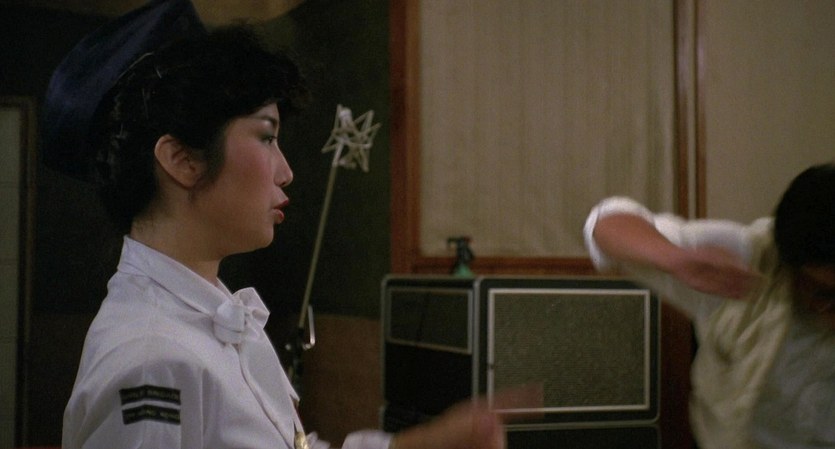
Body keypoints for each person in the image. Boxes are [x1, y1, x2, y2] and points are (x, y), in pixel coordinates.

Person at [57, 9, 536, 449]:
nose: (285, 172)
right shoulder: (153, 360)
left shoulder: (215, 315)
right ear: (181, 160)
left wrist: (429, 443)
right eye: (266, 136)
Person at [583, 162, 835, 449]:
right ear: (788, 265)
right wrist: (674, 258)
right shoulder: (746, 261)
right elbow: (605, 222)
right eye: (825, 294)